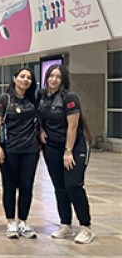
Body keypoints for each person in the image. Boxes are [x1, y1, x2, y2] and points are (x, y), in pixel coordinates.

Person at [38, 64, 94, 244]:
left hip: (74, 147)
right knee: (59, 187)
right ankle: (66, 225)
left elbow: (73, 126)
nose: (53, 80)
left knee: (73, 185)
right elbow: (36, 116)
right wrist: (40, 130)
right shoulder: (42, 97)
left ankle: (86, 227)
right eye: (51, 76)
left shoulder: (70, 97)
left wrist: (68, 151)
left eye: (58, 77)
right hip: (51, 147)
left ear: (63, 80)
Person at [0, 66, 40, 239]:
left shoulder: (33, 99)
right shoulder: (5, 98)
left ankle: (23, 222)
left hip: (31, 150)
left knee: (27, 186)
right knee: (10, 186)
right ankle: (11, 222)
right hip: (9, 149)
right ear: (14, 78)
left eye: (29, 77)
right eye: (22, 76)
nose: (25, 80)